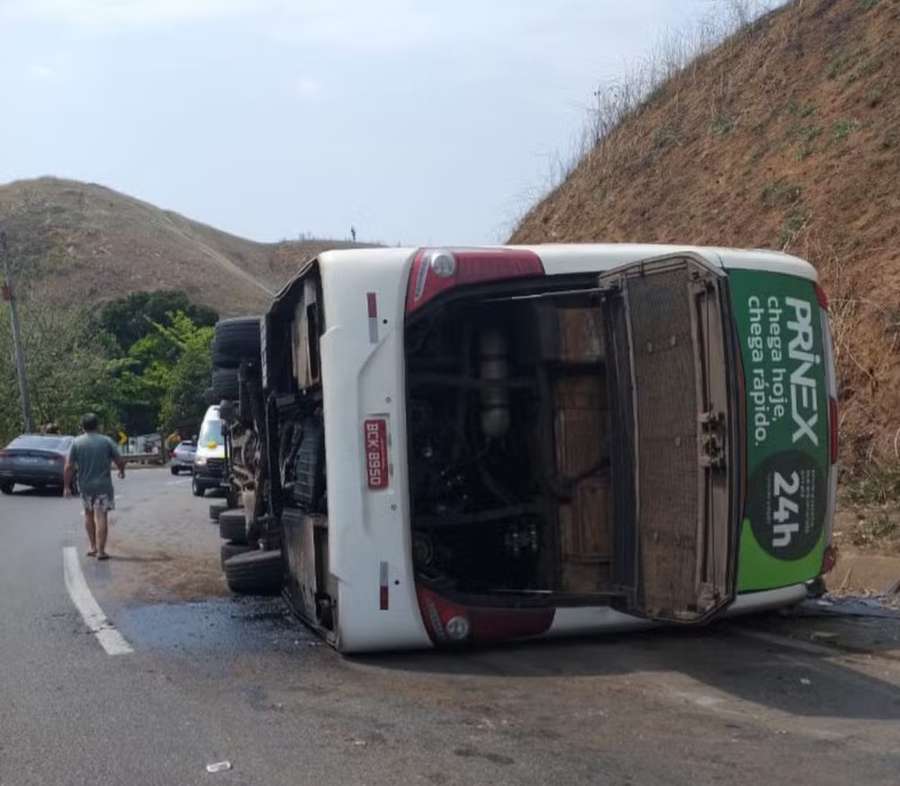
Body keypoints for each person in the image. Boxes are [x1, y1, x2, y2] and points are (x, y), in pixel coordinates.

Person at [64, 413, 126, 560]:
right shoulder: (106, 441)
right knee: (101, 516)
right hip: (103, 486)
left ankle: (92, 546)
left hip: (85, 486)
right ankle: (101, 551)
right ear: (97, 426)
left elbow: (69, 466)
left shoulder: (76, 443)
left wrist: (66, 486)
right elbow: (119, 459)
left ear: (82, 427)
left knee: (88, 514)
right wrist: (121, 471)